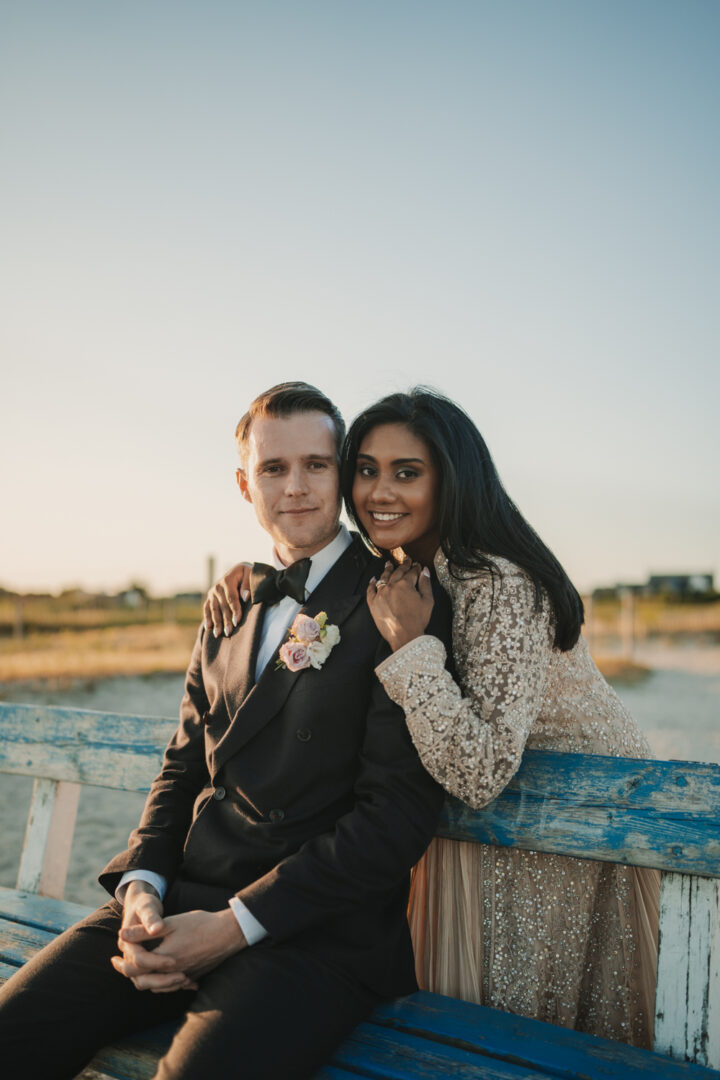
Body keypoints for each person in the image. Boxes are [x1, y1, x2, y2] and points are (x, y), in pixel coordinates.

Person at [0, 382, 451, 1080]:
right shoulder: (233, 603)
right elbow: (182, 767)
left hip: (313, 931)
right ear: (246, 483)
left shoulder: (400, 603)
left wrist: (234, 927)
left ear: (343, 475)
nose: (295, 487)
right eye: (274, 468)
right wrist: (143, 888)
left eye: (316, 465)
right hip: (180, 900)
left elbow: (397, 813)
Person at [206, 387, 660, 1050]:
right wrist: (250, 576)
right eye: (366, 469)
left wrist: (411, 649)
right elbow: (320, 565)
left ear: (452, 481)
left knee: (543, 1030)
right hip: (485, 821)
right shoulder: (406, 569)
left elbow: (478, 773)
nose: (379, 492)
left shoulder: (500, 582)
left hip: (580, 823)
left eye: (407, 473)